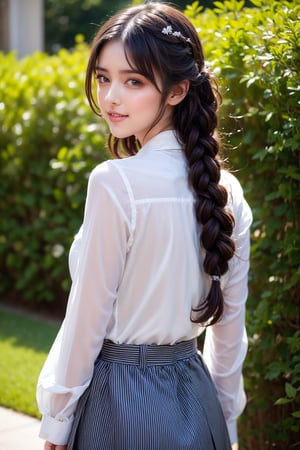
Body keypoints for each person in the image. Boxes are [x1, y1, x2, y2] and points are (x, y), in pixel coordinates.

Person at [36, 2, 252, 449]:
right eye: (103, 77)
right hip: (198, 399)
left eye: (133, 81)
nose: (111, 97)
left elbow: (87, 318)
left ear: (176, 91)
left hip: (117, 400)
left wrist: (58, 418)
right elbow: (230, 331)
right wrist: (226, 419)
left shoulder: (115, 183)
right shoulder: (226, 190)